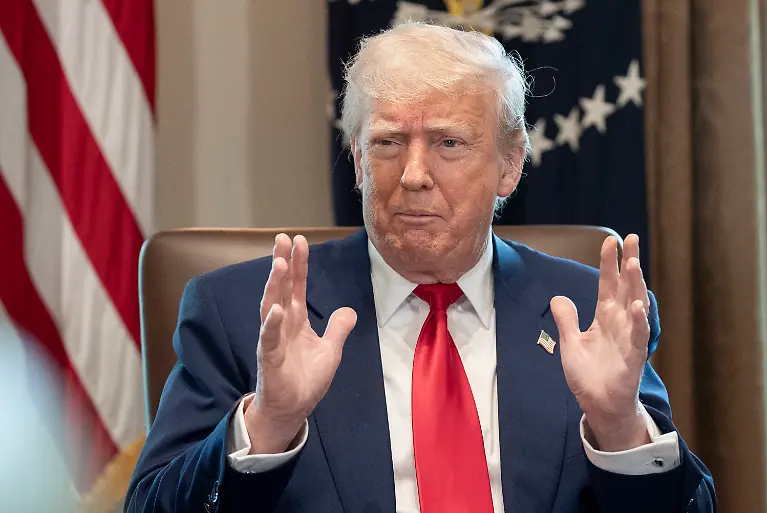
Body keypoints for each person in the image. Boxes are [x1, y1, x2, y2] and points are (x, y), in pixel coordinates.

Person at [126, 22, 715, 513]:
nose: (412, 174)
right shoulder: (241, 313)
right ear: (357, 161)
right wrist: (268, 424)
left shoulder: (587, 309)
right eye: (386, 143)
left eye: (448, 143)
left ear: (509, 167)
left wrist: (619, 429)